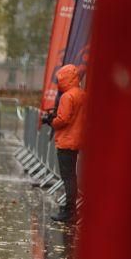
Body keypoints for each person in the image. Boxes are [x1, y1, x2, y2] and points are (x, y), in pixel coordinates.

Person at [47, 64, 85, 222]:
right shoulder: (82, 94)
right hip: (77, 139)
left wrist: (52, 121)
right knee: (72, 176)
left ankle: (69, 211)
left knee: (68, 177)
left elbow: (63, 119)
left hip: (66, 140)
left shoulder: (67, 96)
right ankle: (70, 209)